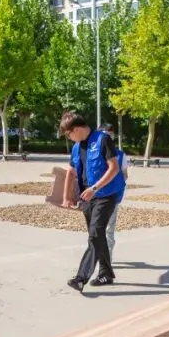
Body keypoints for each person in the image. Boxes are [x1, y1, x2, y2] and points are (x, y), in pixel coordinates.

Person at [61, 111, 125, 291]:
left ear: (77, 129)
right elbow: (71, 172)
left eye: (69, 134)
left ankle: (80, 278)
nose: (69, 138)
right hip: (87, 197)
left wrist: (94, 188)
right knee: (97, 236)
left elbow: (114, 168)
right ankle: (106, 274)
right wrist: (66, 197)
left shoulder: (103, 140)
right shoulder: (76, 147)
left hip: (106, 194)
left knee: (95, 234)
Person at [98, 123, 129, 263]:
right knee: (109, 229)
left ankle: (101, 258)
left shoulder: (93, 153)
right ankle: (107, 259)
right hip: (113, 196)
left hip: (96, 196)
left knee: (97, 228)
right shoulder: (120, 155)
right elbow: (125, 175)